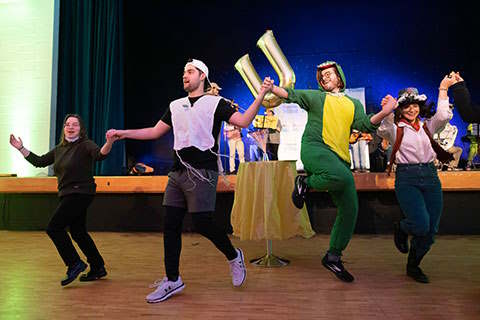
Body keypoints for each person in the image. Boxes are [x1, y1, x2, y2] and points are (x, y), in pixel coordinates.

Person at [107, 59, 271, 303]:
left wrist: (260, 95)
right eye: (183, 71)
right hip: (177, 172)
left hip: (203, 171)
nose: (185, 75)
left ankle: (233, 255)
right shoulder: (175, 105)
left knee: (202, 223)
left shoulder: (217, 103)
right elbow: (154, 132)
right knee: (170, 224)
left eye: (190, 71)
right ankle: (173, 279)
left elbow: (244, 121)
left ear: (202, 76)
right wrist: (123, 133)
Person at [265, 61, 395, 282]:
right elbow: (292, 95)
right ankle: (305, 183)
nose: (324, 77)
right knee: (342, 177)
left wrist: (384, 111)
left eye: (329, 74)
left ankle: (333, 256)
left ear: (340, 77)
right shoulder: (317, 97)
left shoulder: (354, 103)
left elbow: (364, 125)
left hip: (339, 159)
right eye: (322, 75)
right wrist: (271, 88)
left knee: (350, 209)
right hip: (315, 149)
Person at [9, 114, 117, 286]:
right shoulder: (60, 148)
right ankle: (97, 267)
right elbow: (40, 161)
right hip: (68, 194)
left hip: (80, 193)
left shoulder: (85, 145)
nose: (71, 127)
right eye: (68, 124)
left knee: (54, 228)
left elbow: (100, 155)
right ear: (64, 128)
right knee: (78, 232)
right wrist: (21, 148)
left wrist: (109, 142)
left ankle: (74, 263)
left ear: (81, 129)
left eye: (75, 124)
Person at [377, 76, 455, 283]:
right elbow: (384, 129)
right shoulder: (396, 129)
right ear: (400, 110)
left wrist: (443, 89)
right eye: (406, 107)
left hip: (430, 176)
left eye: (415, 106)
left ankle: (413, 266)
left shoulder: (428, 126)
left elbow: (443, 114)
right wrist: (386, 110)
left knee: (431, 231)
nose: (412, 110)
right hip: (407, 178)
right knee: (420, 224)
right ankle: (401, 227)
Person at [433, 106, 462, 171]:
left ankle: (452, 166)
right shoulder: (437, 124)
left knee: (458, 150)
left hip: (447, 147)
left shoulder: (451, 127)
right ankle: (436, 165)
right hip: (438, 146)